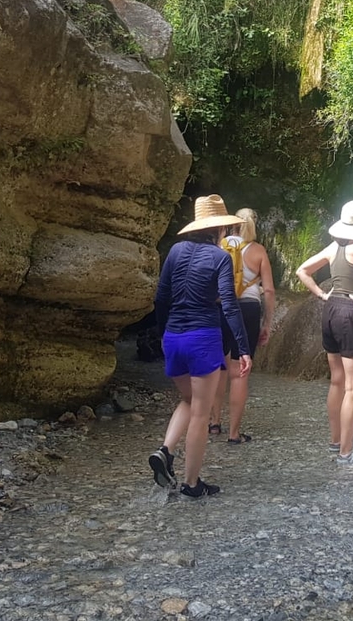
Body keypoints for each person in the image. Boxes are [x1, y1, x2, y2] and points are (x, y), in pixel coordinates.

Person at [148, 194, 252, 499]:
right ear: (219, 230)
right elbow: (230, 306)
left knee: (189, 399)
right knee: (201, 413)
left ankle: (165, 452)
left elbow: (161, 297)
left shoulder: (175, 251)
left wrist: (163, 333)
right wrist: (243, 348)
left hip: (173, 338)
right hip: (202, 338)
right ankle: (192, 485)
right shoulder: (221, 258)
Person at [296, 200, 353, 466]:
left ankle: (338, 440)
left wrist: (322, 294)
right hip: (349, 313)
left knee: (336, 381)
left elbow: (302, 270)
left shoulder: (335, 246)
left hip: (331, 309)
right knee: (352, 388)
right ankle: (347, 454)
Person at [207, 207, 276, 443]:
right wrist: (267, 323)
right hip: (247, 309)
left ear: (232, 223)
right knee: (240, 372)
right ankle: (234, 434)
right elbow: (268, 290)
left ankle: (214, 423)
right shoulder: (258, 251)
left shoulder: (220, 246)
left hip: (220, 307)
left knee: (219, 368)